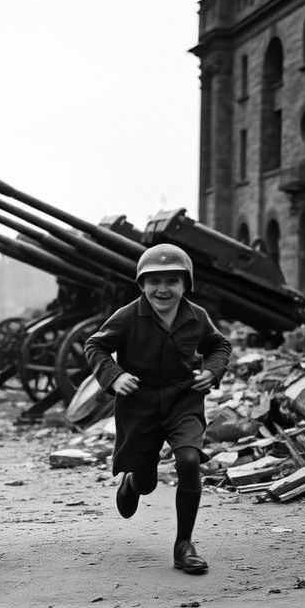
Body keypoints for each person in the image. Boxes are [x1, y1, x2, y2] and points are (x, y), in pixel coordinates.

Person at [84, 245, 231, 574]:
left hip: (184, 399)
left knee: (189, 460)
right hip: (140, 404)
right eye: (154, 281)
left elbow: (219, 344)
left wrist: (212, 371)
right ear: (141, 284)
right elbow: (95, 345)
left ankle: (184, 545)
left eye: (172, 280)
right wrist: (114, 375)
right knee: (148, 482)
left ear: (185, 284)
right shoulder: (127, 316)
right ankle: (133, 482)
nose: (163, 289)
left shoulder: (197, 316)